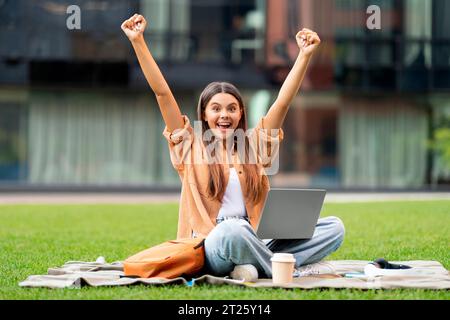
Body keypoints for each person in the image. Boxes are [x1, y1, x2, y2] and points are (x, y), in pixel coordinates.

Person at [121, 14, 345, 279]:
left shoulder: (254, 147)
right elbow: (162, 94)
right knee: (232, 230)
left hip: (258, 242)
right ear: (204, 114)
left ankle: (255, 267)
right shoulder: (189, 147)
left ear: (240, 114)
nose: (224, 115)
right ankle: (288, 269)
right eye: (216, 108)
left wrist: (304, 55)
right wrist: (138, 42)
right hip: (213, 247)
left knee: (334, 227)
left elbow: (282, 103)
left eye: (231, 108)